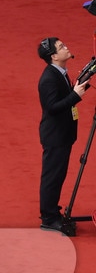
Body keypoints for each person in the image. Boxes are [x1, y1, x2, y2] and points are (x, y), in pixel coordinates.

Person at [38, 37, 86, 231]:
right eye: (61, 47)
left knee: (58, 175)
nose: (66, 47)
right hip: (55, 136)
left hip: (62, 135)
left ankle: (52, 212)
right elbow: (52, 107)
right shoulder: (49, 78)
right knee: (53, 177)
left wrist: (81, 85)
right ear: (54, 56)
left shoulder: (60, 72)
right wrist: (75, 96)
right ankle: (48, 218)